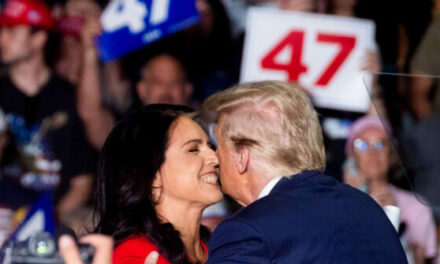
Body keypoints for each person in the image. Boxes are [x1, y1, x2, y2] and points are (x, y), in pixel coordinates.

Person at [198, 81, 407, 263]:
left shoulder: (246, 232)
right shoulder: (367, 209)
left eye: (218, 145)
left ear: (242, 157)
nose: (214, 157)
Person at [0, 0, 95, 218]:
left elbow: (82, 184)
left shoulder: (68, 96)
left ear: (39, 38)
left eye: (12, 31)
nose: (2, 38)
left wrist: (44, 221)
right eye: (2, 30)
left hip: (57, 219)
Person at [95, 104, 222, 264]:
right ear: (152, 176)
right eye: (193, 150)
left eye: (210, 147)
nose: (215, 158)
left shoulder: (218, 249)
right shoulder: (134, 256)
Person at [343, 116, 437, 264]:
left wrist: (393, 218)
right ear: (351, 154)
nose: (373, 153)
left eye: (380, 144)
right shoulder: (338, 203)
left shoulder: (416, 205)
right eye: (362, 145)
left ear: (392, 153)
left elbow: (420, 258)